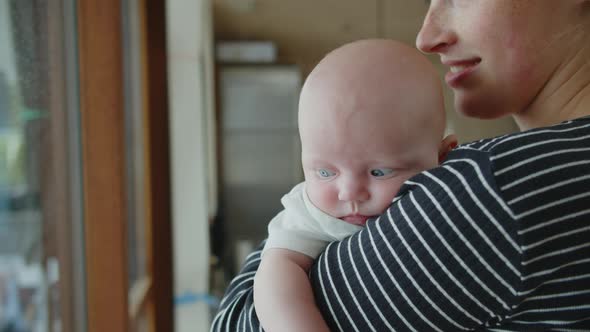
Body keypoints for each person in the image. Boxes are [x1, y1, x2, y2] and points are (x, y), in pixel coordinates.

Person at [212, 0, 590, 330]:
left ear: (444, 153)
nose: (426, 37)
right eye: (326, 170)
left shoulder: (495, 191)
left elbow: (235, 323)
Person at [254, 39, 457, 332]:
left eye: (379, 171)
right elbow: (276, 275)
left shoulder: (454, 199)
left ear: (442, 157)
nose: (349, 193)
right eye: (324, 172)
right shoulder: (310, 215)